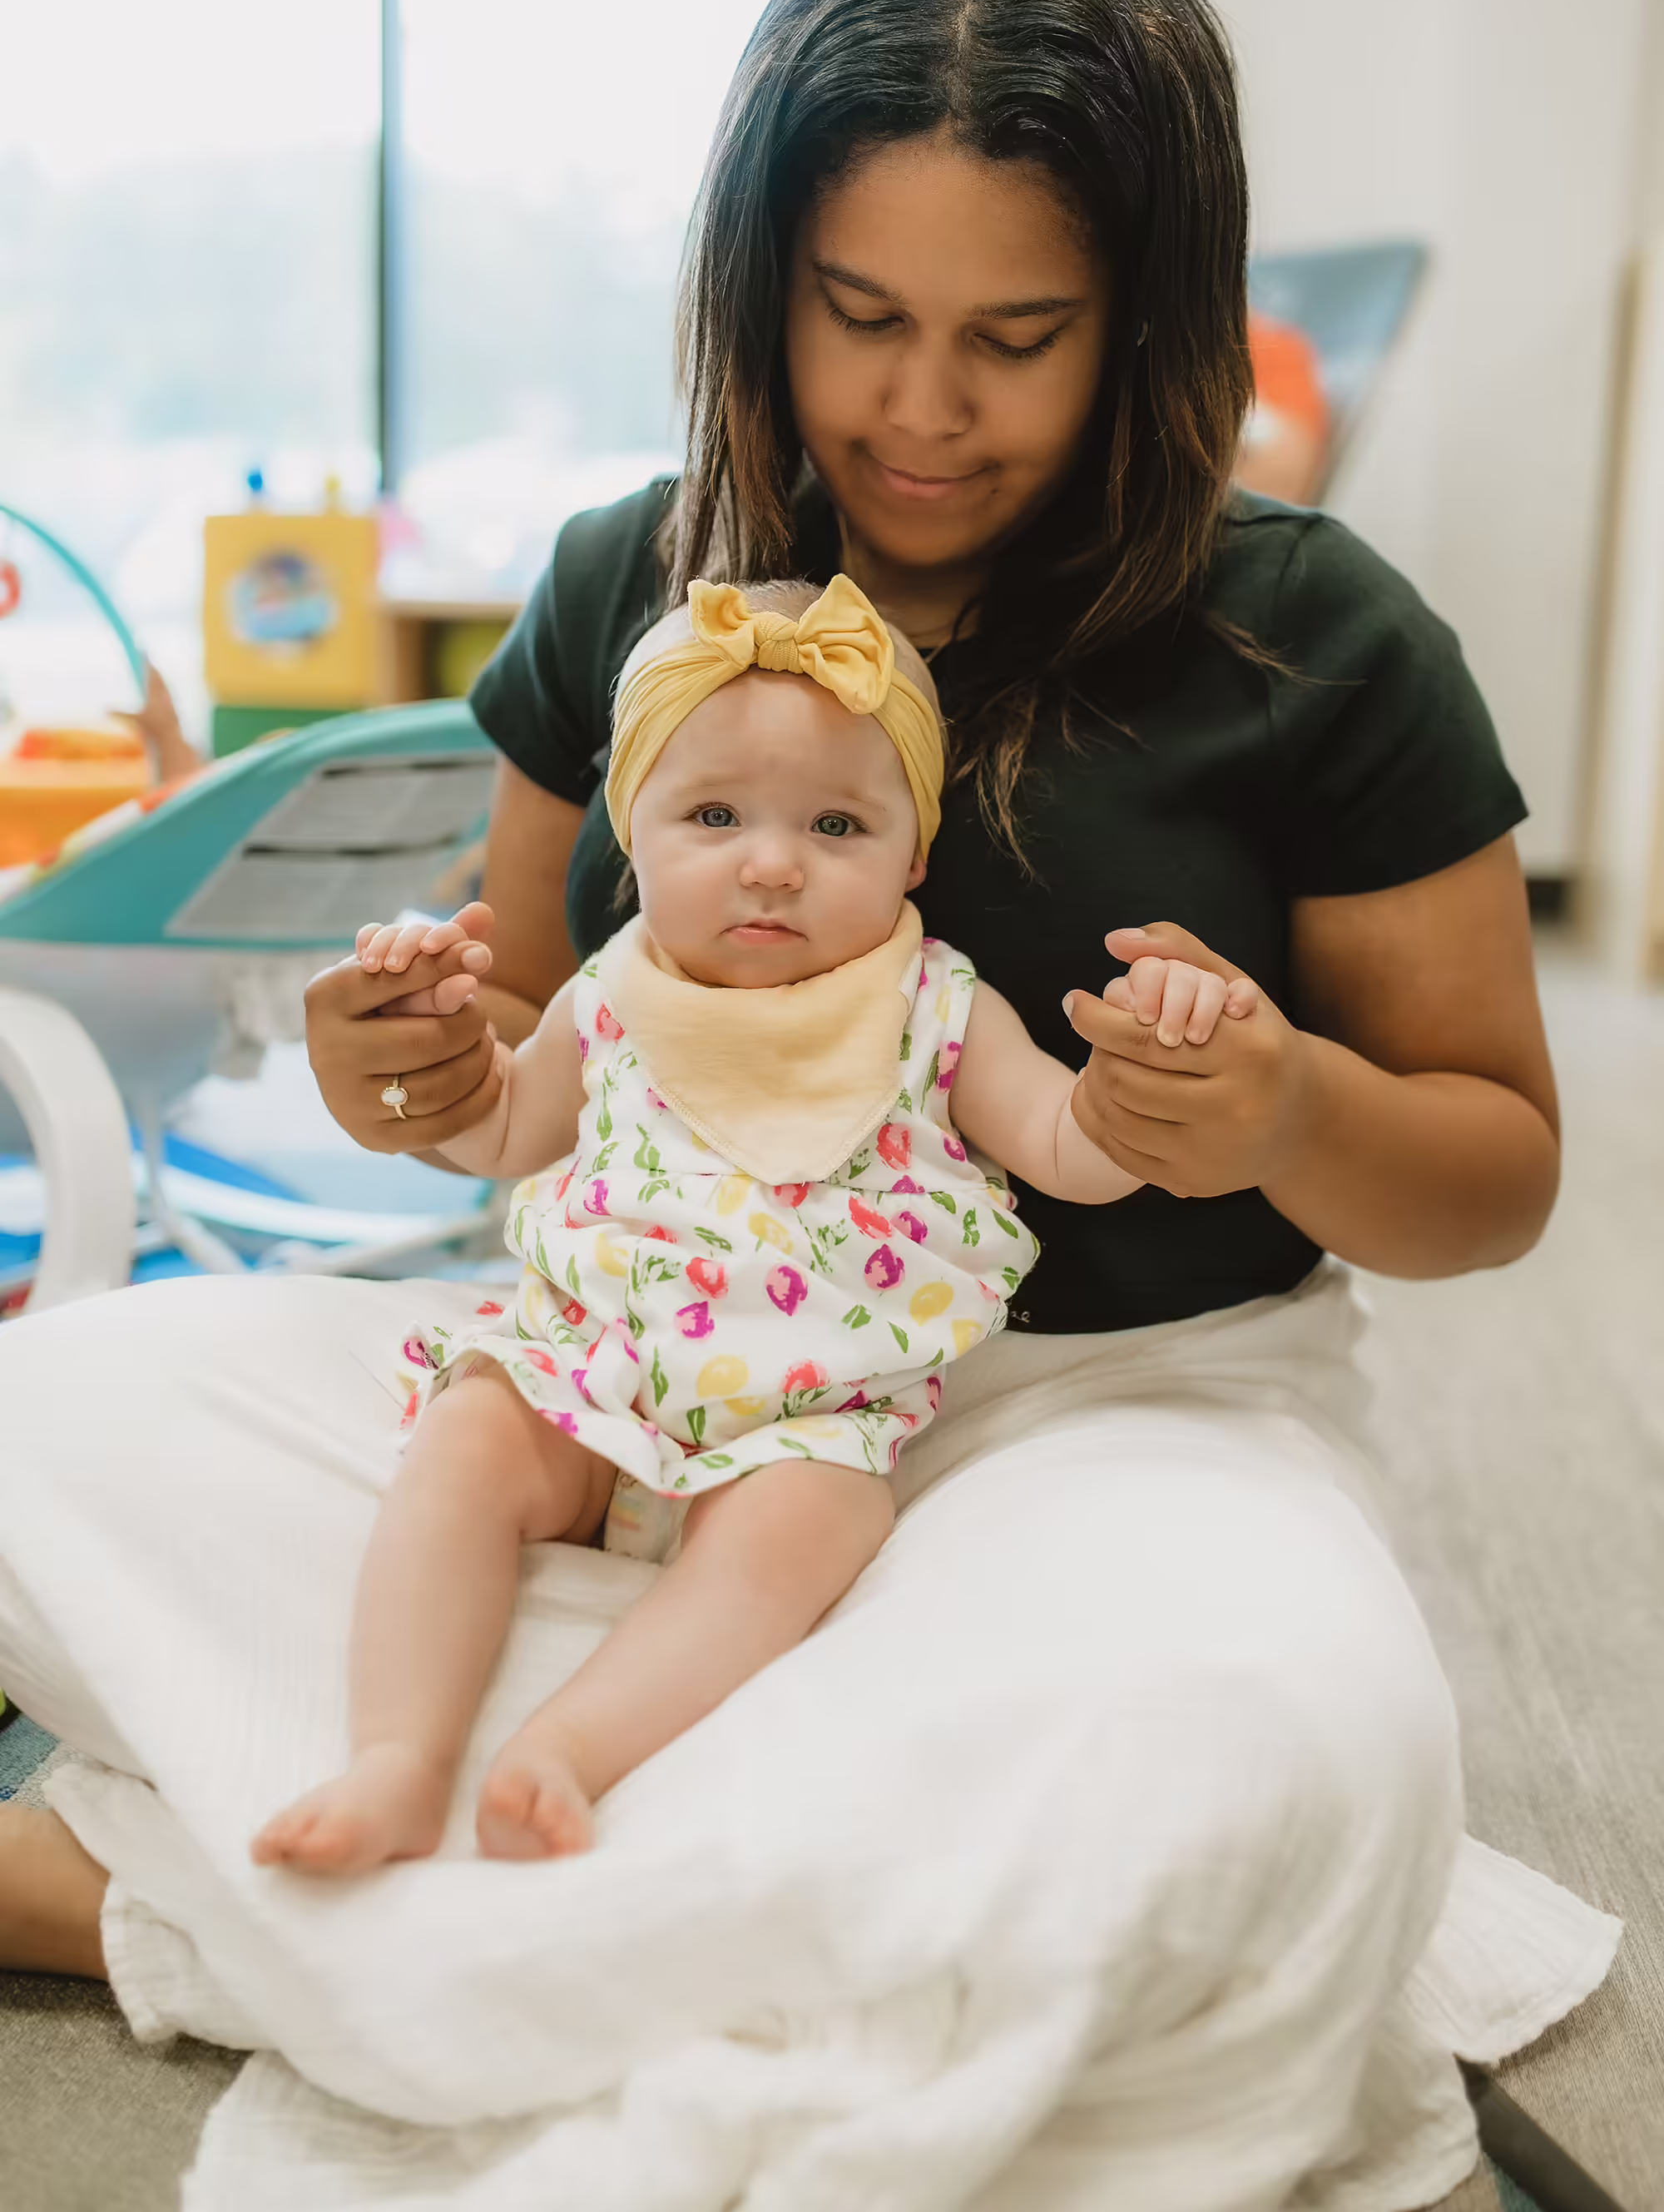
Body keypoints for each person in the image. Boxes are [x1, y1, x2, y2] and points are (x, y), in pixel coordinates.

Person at [0, 0, 1582, 2203]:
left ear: (1149, 324)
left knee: (1279, 1742)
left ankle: (163, 1901)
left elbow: (1497, 1172)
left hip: (1107, 1428)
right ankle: (692, 1884)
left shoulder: (1314, 637)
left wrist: (1282, 1104)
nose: (919, 409)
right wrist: (410, 1079)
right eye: (856, 317)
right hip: (636, 1375)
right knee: (56, 1396)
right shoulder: (626, 580)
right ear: (757, 285)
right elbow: (520, 1058)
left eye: (1017, 336)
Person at [253, 575, 1247, 1876]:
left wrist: (1137, 1076)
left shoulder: (934, 1003)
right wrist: (433, 1041)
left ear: (915, 854)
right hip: (587, 1372)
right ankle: (396, 1756)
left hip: (810, 1416)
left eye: (837, 822)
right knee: (464, 1444)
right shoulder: (611, 993)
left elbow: (1067, 1147)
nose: (772, 862)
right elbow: (497, 1133)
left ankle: (570, 1747)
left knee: (816, 1527)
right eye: (713, 814)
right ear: (635, 833)